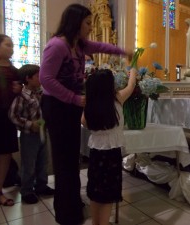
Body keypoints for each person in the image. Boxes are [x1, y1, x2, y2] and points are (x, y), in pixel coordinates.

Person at [39, 4, 130, 225]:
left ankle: (72, 205)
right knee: (64, 162)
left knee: (71, 160)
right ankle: (66, 213)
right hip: (57, 107)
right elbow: (45, 79)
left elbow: (100, 46)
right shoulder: (57, 46)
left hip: (70, 106)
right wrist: (74, 98)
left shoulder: (78, 45)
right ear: (75, 22)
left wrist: (122, 51)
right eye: (88, 23)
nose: (91, 27)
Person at [81, 68, 137, 225]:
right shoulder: (117, 99)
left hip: (95, 154)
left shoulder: (89, 106)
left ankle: (95, 222)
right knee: (107, 195)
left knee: (95, 191)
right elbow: (131, 86)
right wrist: (132, 71)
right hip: (112, 154)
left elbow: (84, 123)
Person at [8, 64, 54, 204]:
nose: (40, 78)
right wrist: (29, 124)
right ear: (28, 78)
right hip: (29, 135)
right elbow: (13, 115)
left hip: (41, 132)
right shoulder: (22, 96)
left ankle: (41, 185)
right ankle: (26, 190)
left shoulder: (40, 92)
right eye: (37, 75)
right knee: (29, 164)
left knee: (42, 160)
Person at [0, 34, 20, 206]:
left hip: (6, 116)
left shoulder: (13, 70)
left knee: (5, 155)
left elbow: (18, 94)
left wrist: (18, 89)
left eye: (12, 45)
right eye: (7, 45)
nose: (11, 48)